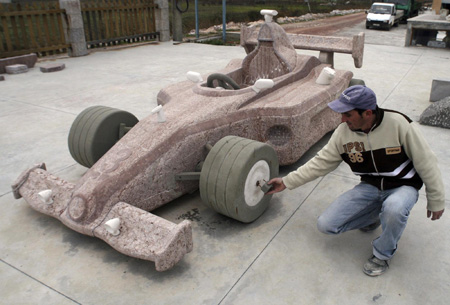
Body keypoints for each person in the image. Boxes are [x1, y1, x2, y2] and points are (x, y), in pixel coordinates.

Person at [267, 85, 445, 276]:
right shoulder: (343, 133)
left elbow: (426, 162)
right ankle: (376, 216)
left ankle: (382, 254)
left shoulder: (399, 124)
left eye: (348, 114)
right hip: (370, 186)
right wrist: (287, 181)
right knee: (326, 225)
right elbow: (320, 163)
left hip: (403, 186)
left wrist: (436, 200)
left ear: (367, 113)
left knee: (394, 208)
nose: (342, 119)